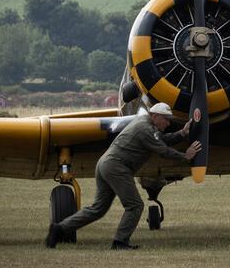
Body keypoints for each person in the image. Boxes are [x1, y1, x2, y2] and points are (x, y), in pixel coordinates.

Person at [45, 102, 202, 250]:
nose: (168, 124)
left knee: (98, 209)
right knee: (135, 205)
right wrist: (185, 156)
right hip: (117, 167)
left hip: (105, 165)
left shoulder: (145, 124)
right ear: (155, 116)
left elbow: (161, 140)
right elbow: (163, 150)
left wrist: (182, 133)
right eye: (166, 120)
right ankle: (120, 242)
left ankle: (58, 229)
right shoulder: (145, 129)